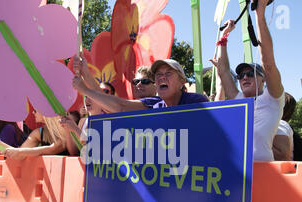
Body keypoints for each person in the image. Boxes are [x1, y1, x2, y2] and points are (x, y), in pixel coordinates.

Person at [210, 0, 285, 162]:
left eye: (250, 73)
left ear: (263, 78)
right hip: (238, 173)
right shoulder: (238, 100)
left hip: (265, 173)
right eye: (241, 75)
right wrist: (225, 36)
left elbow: (269, 64)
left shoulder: (273, 99)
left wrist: (260, 13)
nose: (244, 77)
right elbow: (223, 71)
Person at [71, 57, 208, 113]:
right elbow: (115, 106)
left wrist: (84, 88)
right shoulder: (155, 104)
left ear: (182, 82)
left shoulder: (196, 102)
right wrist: (86, 74)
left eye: (168, 73)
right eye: (158, 75)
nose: (162, 78)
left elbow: (119, 106)